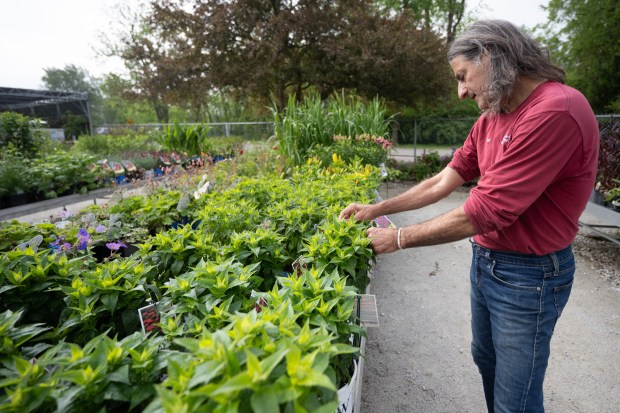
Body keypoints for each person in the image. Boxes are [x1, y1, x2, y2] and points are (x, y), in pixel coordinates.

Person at [339, 20, 599, 413]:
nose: (460, 91)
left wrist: (398, 239)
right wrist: (379, 209)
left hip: (529, 275)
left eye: (463, 76)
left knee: (517, 394)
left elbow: (485, 212)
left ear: (491, 56)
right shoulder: (492, 117)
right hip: (487, 263)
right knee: (487, 361)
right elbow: (443, 181)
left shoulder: (555, 110)